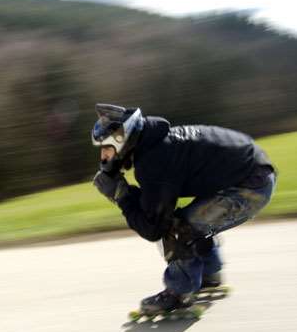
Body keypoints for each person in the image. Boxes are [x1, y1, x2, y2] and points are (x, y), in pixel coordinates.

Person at [91, 103, 276, 313]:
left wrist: (120, 194)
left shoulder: (154, 161)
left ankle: (180, 292)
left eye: (106, 148)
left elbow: (153, 228)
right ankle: (208, 274)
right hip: (253, 174)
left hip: (250, 187)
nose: (103, 157)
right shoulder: (157, 145)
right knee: (189, 220)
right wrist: (125, 194)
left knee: (179, 228)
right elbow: (153, 203)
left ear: (122, 141)